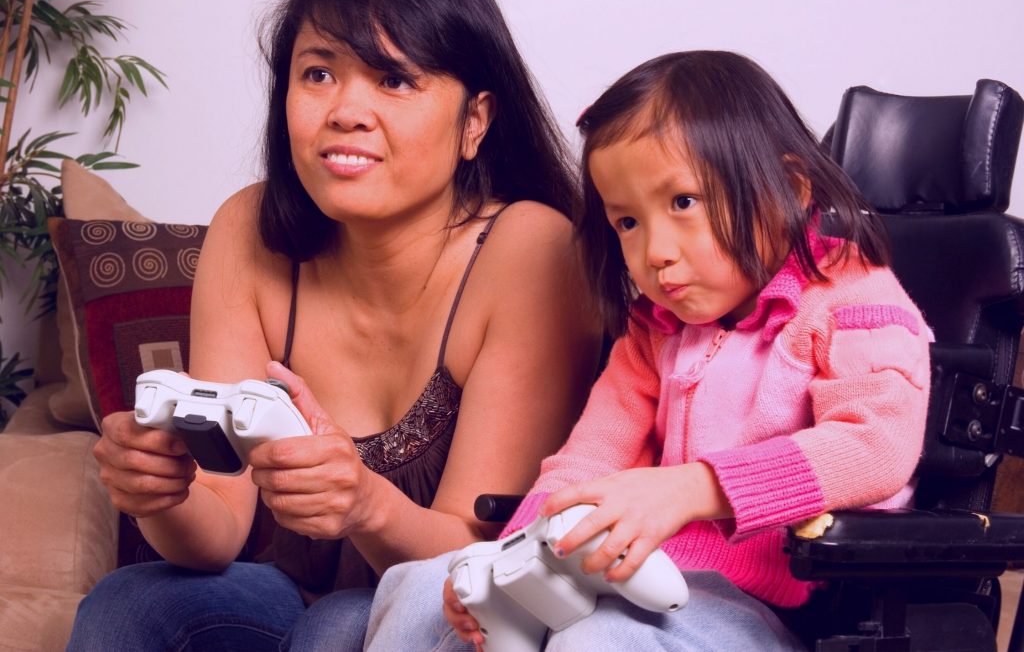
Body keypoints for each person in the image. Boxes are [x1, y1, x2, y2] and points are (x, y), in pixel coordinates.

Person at [67, 0, 602, 651]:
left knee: (340, 625)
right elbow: (219, 529)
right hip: (276, 590)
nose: (345, 111)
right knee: (130, 602)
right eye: (318, 73)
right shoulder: (247, 229)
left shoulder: (531, 250)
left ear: (474, 120)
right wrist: (160, 493)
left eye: (395, 81)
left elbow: (476, 562)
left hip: (453, 603)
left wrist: (365, 504)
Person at [362, 50, 931, 651]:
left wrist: (689, 489)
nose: (654, 251)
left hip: (780, 605)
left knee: (598, 640)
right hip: (637, 577)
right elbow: (586, 463)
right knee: (422, 587)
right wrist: (507, 563)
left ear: (785, 190)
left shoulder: (852, 297)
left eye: (683, 202)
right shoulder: (656, 331)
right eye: (627, 222)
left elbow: (876, 445)